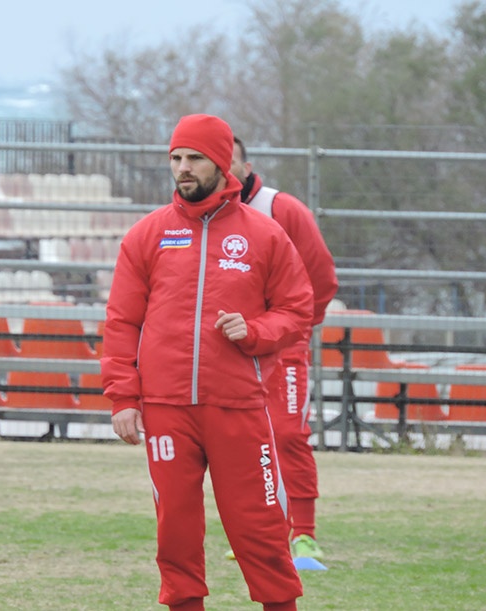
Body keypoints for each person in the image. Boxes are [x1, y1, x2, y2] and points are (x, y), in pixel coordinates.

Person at [102, 114, 314, 611]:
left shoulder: (264, 235)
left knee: (259, 528)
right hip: (166, 407)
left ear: (221, 163)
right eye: (176, 158)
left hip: (238, 405)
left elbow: (297, 310)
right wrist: (123, 397)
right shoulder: (147, 235)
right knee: (174, 529)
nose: (183, 168)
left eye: (195, 158)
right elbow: (121, 321)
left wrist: (255, 331)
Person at [230, 136, 339, 561]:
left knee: (289, 433)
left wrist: (293, 330)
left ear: (245, 167)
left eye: (229, 161)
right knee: (242, 438)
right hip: (233, 349)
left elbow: (321, 277)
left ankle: (303, 534)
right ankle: (261, 531)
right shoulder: (206, 218)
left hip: (283, 345)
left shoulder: (281, 208)